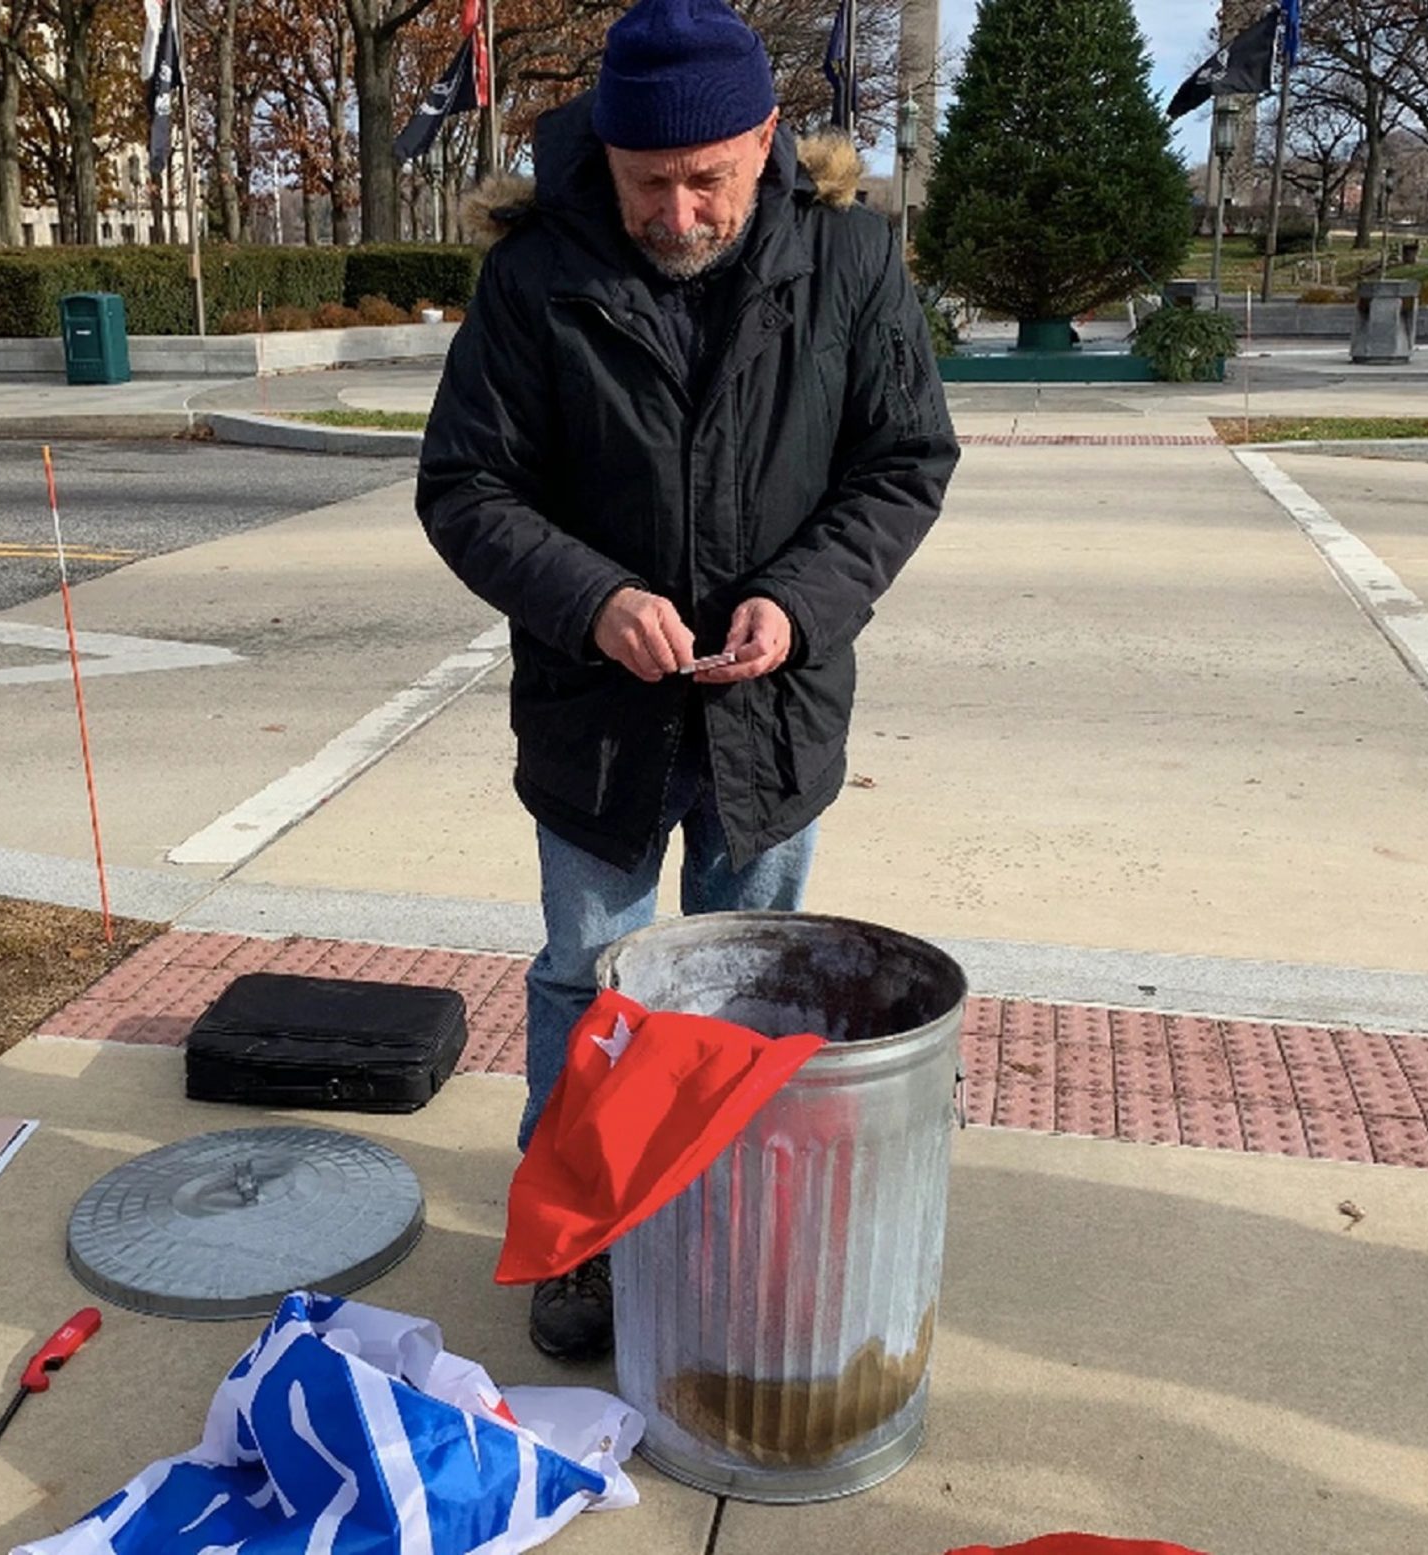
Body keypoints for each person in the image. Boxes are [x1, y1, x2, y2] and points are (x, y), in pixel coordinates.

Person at [415, 0, 958, 1361]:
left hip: (770, 719)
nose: (680, 208)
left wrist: (803, 599)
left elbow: (905, 463)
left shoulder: (851, 260)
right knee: (589, 984)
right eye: (648, 181)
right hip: (597, 719)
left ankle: (720, 1204)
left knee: (755, 988)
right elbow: (467, 488)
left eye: (709, 176)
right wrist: (594, 600)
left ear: (766, 140)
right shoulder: (535, 278)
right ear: (602, 153)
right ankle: (582, 1235)